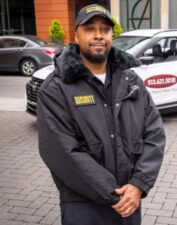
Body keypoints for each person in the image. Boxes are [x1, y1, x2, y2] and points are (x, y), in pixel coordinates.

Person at [37, 4, 165, 225]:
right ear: (76, 36)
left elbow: (154, 134)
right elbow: (62, 152)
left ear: (111, 36)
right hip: (84, 206)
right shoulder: (56, 89)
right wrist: (114, 193)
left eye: (105, 29)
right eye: (90, 29)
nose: (98, 35)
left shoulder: (131, 82)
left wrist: (138, 185)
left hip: (129, 201)